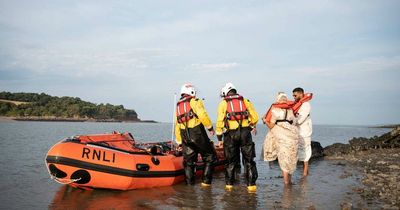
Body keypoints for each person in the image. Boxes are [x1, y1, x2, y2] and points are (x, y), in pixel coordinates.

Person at [216, 82, 259, 192]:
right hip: (245, 133)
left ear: (225, 93)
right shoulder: (245, 100)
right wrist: (250, 125)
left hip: (230, 134)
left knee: (230, 162)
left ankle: (229, 186)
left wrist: (219, 138)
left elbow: (220, 122)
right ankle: (251, 186)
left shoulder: (223, 103)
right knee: (249, 160)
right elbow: (255, 117)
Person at [174, 83, 217, 186]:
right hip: (197, 133)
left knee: (189, 162)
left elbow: (177, 125)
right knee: (209, 156)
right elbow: (202, 115)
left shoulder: (179, 106)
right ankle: (206, 184)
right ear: (191, 91)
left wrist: (179, 141)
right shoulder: (195, 101)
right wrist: (210, 127)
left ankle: (190, 186)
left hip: (184, 135)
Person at [263, 92, 299, 185]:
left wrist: (264, 120)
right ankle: (289, 181)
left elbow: (271, 126)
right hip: (292, 136)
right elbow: (294, 123)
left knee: (283, 159)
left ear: (278, 100)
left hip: (281, 136)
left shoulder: (275, 110)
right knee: (290, 158)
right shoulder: (290, 110)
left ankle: (286, 183)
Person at [292, 87, 313, 176]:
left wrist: (291, 121)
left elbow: (300, 120)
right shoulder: (297, 104)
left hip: (304, 131)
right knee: (298, 150)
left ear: (301, 94)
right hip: (297, 130)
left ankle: (305, 171)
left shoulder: (306, 105)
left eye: (295, 95)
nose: (294, 97)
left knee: (306, 149)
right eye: (293, 95)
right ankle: (304, 171)